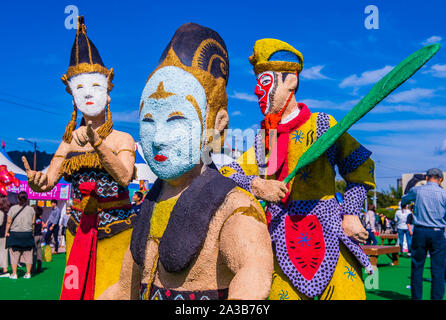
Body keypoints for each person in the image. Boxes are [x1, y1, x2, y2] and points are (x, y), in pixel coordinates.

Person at [100, 23, 273, 300]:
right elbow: (124, 289)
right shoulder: (150, 203)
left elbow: (254, 272)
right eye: (148, 121)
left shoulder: (233, 205)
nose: (157, 138)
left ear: (217, 126)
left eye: (176, 120)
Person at [219, 38, 375, 300]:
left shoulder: (323, 125)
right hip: (280, 236)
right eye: (257, 83)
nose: (257, 91)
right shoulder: (261, 139)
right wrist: (257, 185)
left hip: (329, 233)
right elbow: (228, 172)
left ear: (290, 81)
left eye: (265, 81)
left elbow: (359, 166)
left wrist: (351, 214)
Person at [23, 16, 137, 299]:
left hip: (117, 230)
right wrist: (38, 182)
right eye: (80, 89)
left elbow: (123, 175)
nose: (88, 94)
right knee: (78, 291)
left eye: (95, 87)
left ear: (108, 93)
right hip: (78, 230)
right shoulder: (69, 140)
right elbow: (50, 178)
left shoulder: (123, 139)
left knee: (112, 291)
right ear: (72, 97)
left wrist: (98, 144)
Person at [401, 168, 446, 300]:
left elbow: (404, 200)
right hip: (438, 233)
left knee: (417, 268)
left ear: (426, 178)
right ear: (440, 179)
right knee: (438, 270)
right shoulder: (444, 194)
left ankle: (416, 298)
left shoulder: (417, 191)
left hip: (420, 232)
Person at [5, 191, 35, 279]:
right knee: (28, 253)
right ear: (27, 199)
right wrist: (32, 232)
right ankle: (28, 273)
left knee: (14, 254)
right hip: (27, 233)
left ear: (18, 198)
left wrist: (7, 231)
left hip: (15, 233)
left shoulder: (13, 208)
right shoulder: (31, 209)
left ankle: (14, 274)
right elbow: (33, 223)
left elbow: (8, 222)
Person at [0, 195, 10, 277]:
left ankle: (4, 270)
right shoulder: (8, 211)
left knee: (2, 252)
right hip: (5, 234)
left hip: (1, 234)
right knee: (4, 252)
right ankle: (5, 270)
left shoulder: (1, 212)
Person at [32, 205, 43, 274]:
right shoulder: (40, 219)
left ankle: (33, 268)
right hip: (40, 236)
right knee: (39, 251)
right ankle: (39, 266)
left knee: (34, 253)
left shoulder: (34, 219)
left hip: (35, 236)